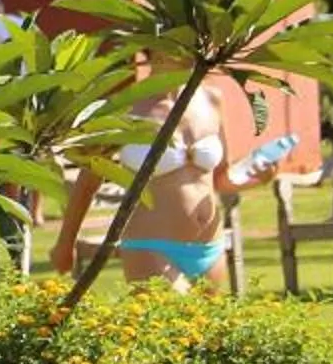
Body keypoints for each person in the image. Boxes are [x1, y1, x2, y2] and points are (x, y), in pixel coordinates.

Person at [50, 73, 247, 290]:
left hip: (210, 247)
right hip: (150, 248)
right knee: (168, 321)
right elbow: (88, 182)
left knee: (208, 324)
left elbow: (222, 179)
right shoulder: (125, 107)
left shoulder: (212, 98)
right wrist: (66, 243)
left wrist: (258, 175)